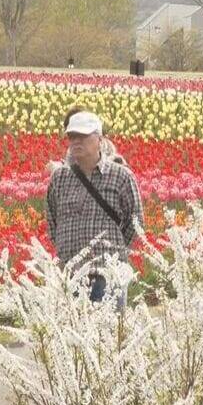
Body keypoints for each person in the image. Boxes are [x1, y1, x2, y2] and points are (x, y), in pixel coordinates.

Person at [45, 110, 145, 304]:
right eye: (72, 136)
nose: (76, 141)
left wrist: (114, 252)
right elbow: (52, 220)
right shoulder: (59, 178)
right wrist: (66, 251)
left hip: (106, 274)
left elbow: (135, 224)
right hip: (70, 275)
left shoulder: (121, 177)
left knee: (106, 332)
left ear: (100, 139)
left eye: (83, 136)